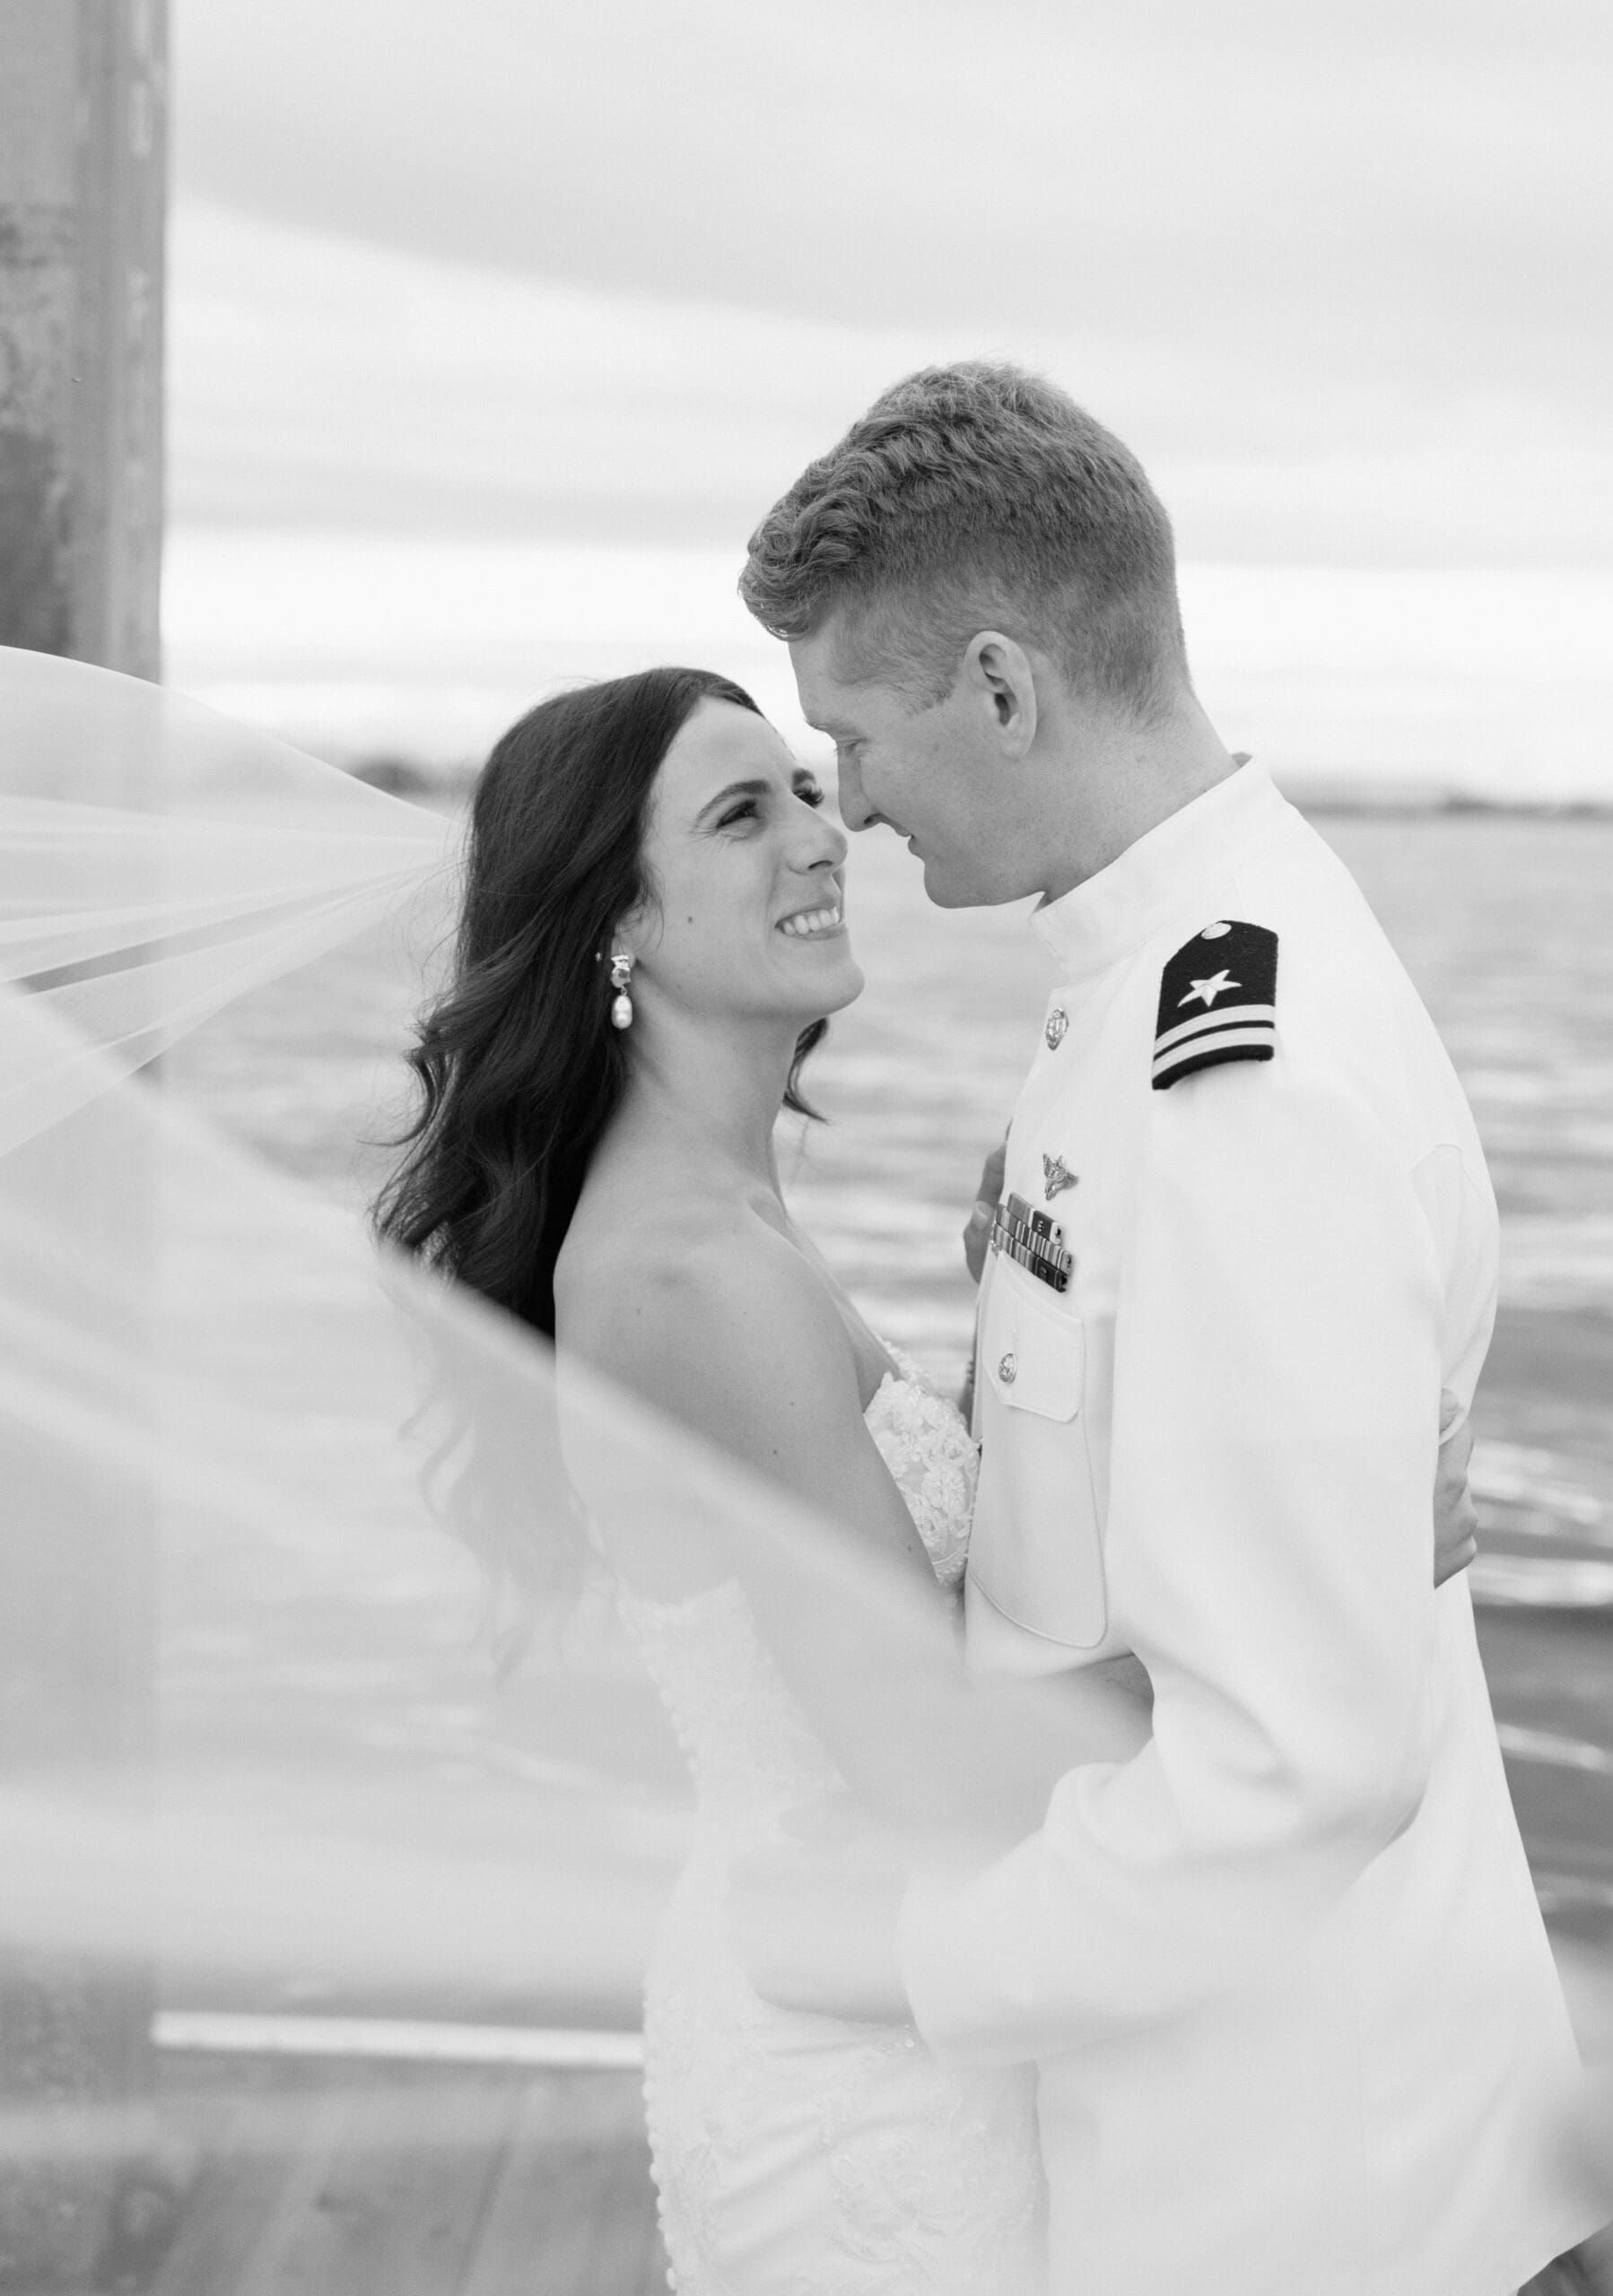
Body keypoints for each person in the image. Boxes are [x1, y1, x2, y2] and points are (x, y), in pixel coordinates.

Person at [375, 659, 1490, 2294]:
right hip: (853, 2053)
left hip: (892, 1979)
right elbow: (937, 1761)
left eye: (812, 788)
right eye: (740, 815)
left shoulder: (724, 1220)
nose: (823, 835)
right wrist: (1340, 1566)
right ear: (613, 923)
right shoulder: (689, 1274)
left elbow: (902, 1583)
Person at [727, 361, 1610, 2296]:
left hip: (1307, 2189)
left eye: (853, 734)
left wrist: (913, 1963)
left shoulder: (1243, 1077)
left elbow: (1293, 1763)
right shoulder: (1157, 982)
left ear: (996, 685)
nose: (846, 800)